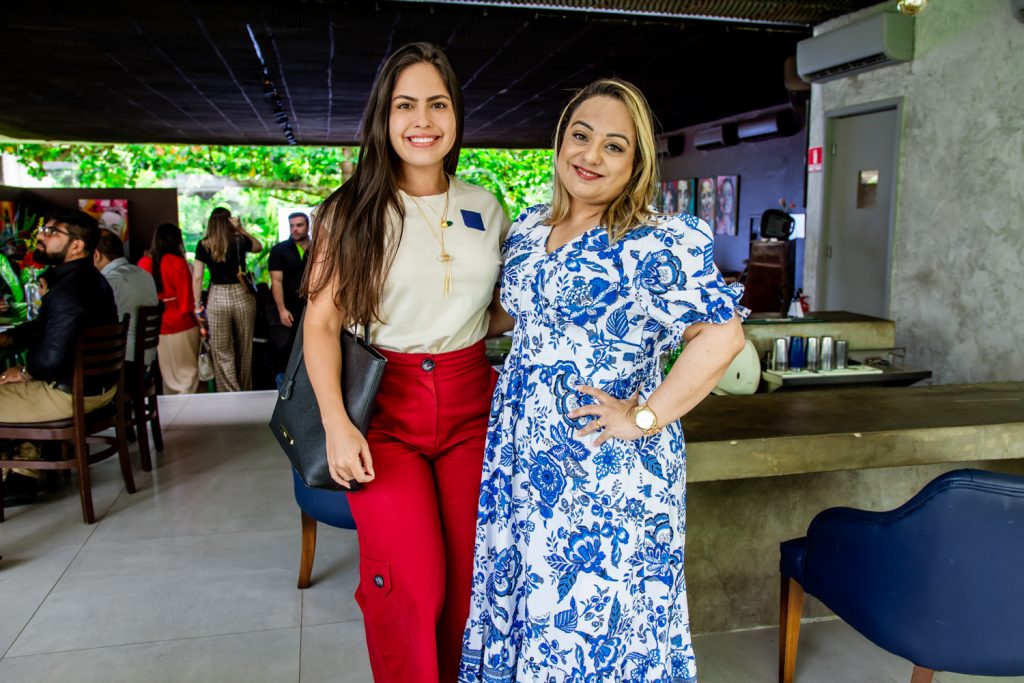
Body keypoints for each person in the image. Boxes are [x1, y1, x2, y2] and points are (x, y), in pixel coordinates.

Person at [460, 79, 747, 683]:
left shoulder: (654, 240)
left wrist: (643, 416)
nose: (590, 155)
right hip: (521, 457)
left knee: (592, 623)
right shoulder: (530, 229)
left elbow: (721, 337)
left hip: (604, 465)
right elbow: (510, 314)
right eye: (580, 136)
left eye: (614, 146)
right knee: (529, 602)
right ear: (560, 141)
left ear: (636, 163)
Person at [303, 42, 509, 683]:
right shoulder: (350, 211)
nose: (423, 120)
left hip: (473, 403)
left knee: (471, 585)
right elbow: (321, 323)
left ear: (456, 115)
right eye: (405, 105)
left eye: (438, 104)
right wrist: (337, 424)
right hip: (382, 410)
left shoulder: (488, 206)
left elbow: (493, 311)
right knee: (409, 587)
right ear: (383, 117)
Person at [0, 210, 117, 501]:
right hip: (96, 388)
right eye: (44, 230)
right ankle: (21, 473)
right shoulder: (89, 280)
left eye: (52, 232)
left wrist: (24, 372)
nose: (41, 236)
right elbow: (45, 327)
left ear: (76, 245)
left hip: (69, 394)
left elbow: (50, 361)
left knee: (10, 383)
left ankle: (16, 471)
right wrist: (9, 337)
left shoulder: (69, 291)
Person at [191, 208, 262, 392]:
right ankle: (244, 391)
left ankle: (231, 393)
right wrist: (240, 229)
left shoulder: (204, 244)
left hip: (218, 296)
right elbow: (258, 247)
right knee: (244, 347)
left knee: (221, 349)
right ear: (229, 221)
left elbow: (197, 277)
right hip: (242, 293)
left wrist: (197, 305)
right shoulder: (239, 240)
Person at [138, 224, 201, 394]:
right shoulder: (177, 262)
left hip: (157, 325)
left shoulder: (144, 263)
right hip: (182, 322)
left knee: (168, 375)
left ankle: (173, 409)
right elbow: (186, 301)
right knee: (188, 373)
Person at [94, 230, 159, 374]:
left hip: (121, 363)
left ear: (96, 255)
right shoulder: (144, 274)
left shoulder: (108, 281)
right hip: (147, 359)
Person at [267, 211, 310, 375]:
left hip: (308, 306)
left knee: (308, 348)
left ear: (308, 226)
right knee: (283, 349)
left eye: (299, 225)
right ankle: (283, 386)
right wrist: (282, 310)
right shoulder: (279, 250)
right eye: (292, 226)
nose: (295, 229)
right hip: (286, 306)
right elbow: (276, 281)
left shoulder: (317, 248)